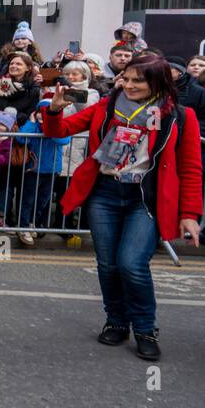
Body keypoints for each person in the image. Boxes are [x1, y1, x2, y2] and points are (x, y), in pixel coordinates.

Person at [44, 54, 202, 361]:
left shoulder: (180, 116)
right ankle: (116, 321)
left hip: (144, 198)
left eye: (137, 80)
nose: (128, 85)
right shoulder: (105, 107)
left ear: (157, 82)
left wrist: (190, 215)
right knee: (108, 265)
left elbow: (192, 168)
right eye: (126, 79)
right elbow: (57, 132)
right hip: (104, 193)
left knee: (132, 264)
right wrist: (53, 111)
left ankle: (145, 329)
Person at [15, 101, 70, 246]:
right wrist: (32, 123)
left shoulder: (58, 126)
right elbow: (20, 138)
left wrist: (50, 126)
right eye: (41, 111)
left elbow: (64, 139)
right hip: (33, 170)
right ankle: (23, 226)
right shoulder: (34, 127)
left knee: (43, 201)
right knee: (28, 200)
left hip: (51, 171)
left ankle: (33, 222)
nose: (43, 115)